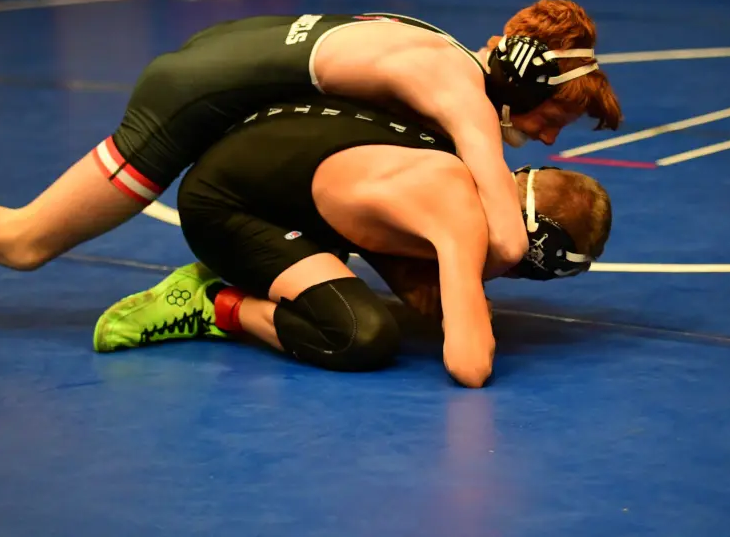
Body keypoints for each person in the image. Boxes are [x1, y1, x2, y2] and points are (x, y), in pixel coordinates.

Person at [0, 0, 621, 284]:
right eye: (553, 116)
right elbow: (504, 238)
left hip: (226, 59)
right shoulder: (456, 90)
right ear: (524, 78)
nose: (546, 137)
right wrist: (525, 250)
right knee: (23, 241)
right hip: (193, 97)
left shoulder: (447, 57)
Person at [93, 94, 612, 388]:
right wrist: (470, 306)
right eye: (521, 268)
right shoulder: (460, 212)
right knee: (361, 335)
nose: (505, 272)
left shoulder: (466, 158)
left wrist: (439, 294)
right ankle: (215, 304)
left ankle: (264, 271)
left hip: (266, 170)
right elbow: (469, 367)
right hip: (225, 209)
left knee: (424, 297)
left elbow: (369, 220)